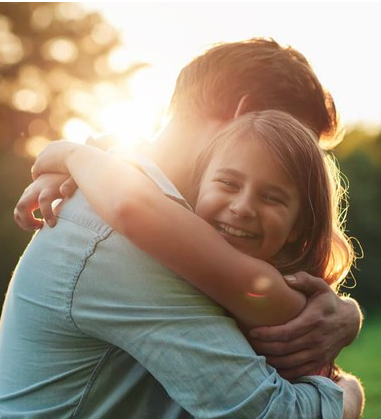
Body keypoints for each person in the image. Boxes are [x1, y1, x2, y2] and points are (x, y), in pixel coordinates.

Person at [0, 38, 364, 419]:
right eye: (289, 140)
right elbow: (272, 412)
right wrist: (349, 393)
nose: (296, 167)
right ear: (246, 115)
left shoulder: (185, 220)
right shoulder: (124, 235)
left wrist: (345, 314)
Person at [30, 109, 353, 379]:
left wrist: (72, 155)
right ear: (198, 187)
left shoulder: (270, 290)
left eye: (271, 197)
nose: (242, 207)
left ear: (298, 227)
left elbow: (132, 207)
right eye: (227, 183)